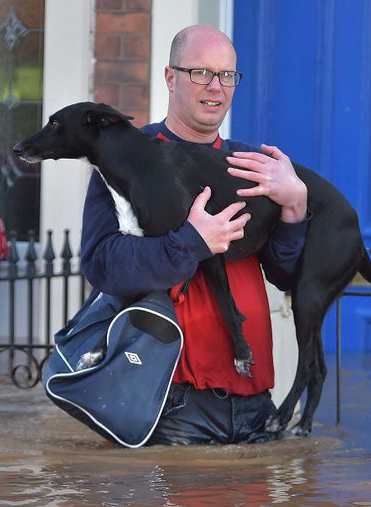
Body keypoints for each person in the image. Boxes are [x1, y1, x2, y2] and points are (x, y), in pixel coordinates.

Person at [80, 25, 310, 444]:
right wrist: (190, 242)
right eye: (201, 73)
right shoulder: (128, 161)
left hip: (256, 397)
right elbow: (102, 266)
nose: (216, 87)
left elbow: (287, 275)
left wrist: (295, 208)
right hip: (171, 401)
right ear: (170, 77)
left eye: (227, 75)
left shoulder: (251, 165)